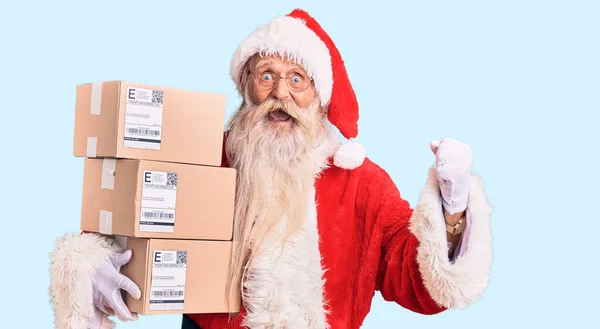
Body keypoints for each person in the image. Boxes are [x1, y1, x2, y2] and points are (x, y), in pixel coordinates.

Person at [49, 8, 493, 329]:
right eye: (266, 75)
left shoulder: (362, 183)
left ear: (319, 96)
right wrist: (91, 267)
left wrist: (451, 208)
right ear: (247, 88)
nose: (281, 92)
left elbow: (414, 276)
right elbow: (127, 222)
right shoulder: (205, 159)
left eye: (297, 79)